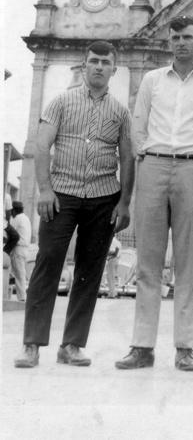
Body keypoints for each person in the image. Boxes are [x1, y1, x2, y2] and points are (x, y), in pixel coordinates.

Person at [116, 15, 193, 372]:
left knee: (186, 263)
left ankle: (185, 347)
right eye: (176, 37)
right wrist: (150, 156)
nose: (181, 42)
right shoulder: (152, 80)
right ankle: (142, 346)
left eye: (188, 37)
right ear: (169, 42)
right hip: (153, 165)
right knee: (149, 263)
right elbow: (138, 127)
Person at [14, 40, 134, 369]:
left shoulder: (121, 112)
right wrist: (44, 190)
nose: (98, 67)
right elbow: (41, 147)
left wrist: (124, 203)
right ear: (84, 65)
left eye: (104, 62)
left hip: (102, 198)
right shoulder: (60, 102)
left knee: (89, 272)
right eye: (93, 61)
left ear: (113, 68)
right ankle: (31, 345)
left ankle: (72, 345)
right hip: (61, 195)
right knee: (47, 264)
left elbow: (127, 158)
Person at [9, 201, 32, 302]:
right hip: (25, 249)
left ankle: (22, 298)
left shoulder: (17, 219)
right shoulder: (26, 218)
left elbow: (9, 233)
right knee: (20, 273)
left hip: (18, 249)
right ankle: (22, 296)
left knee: (19, 274)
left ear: (14, 210)